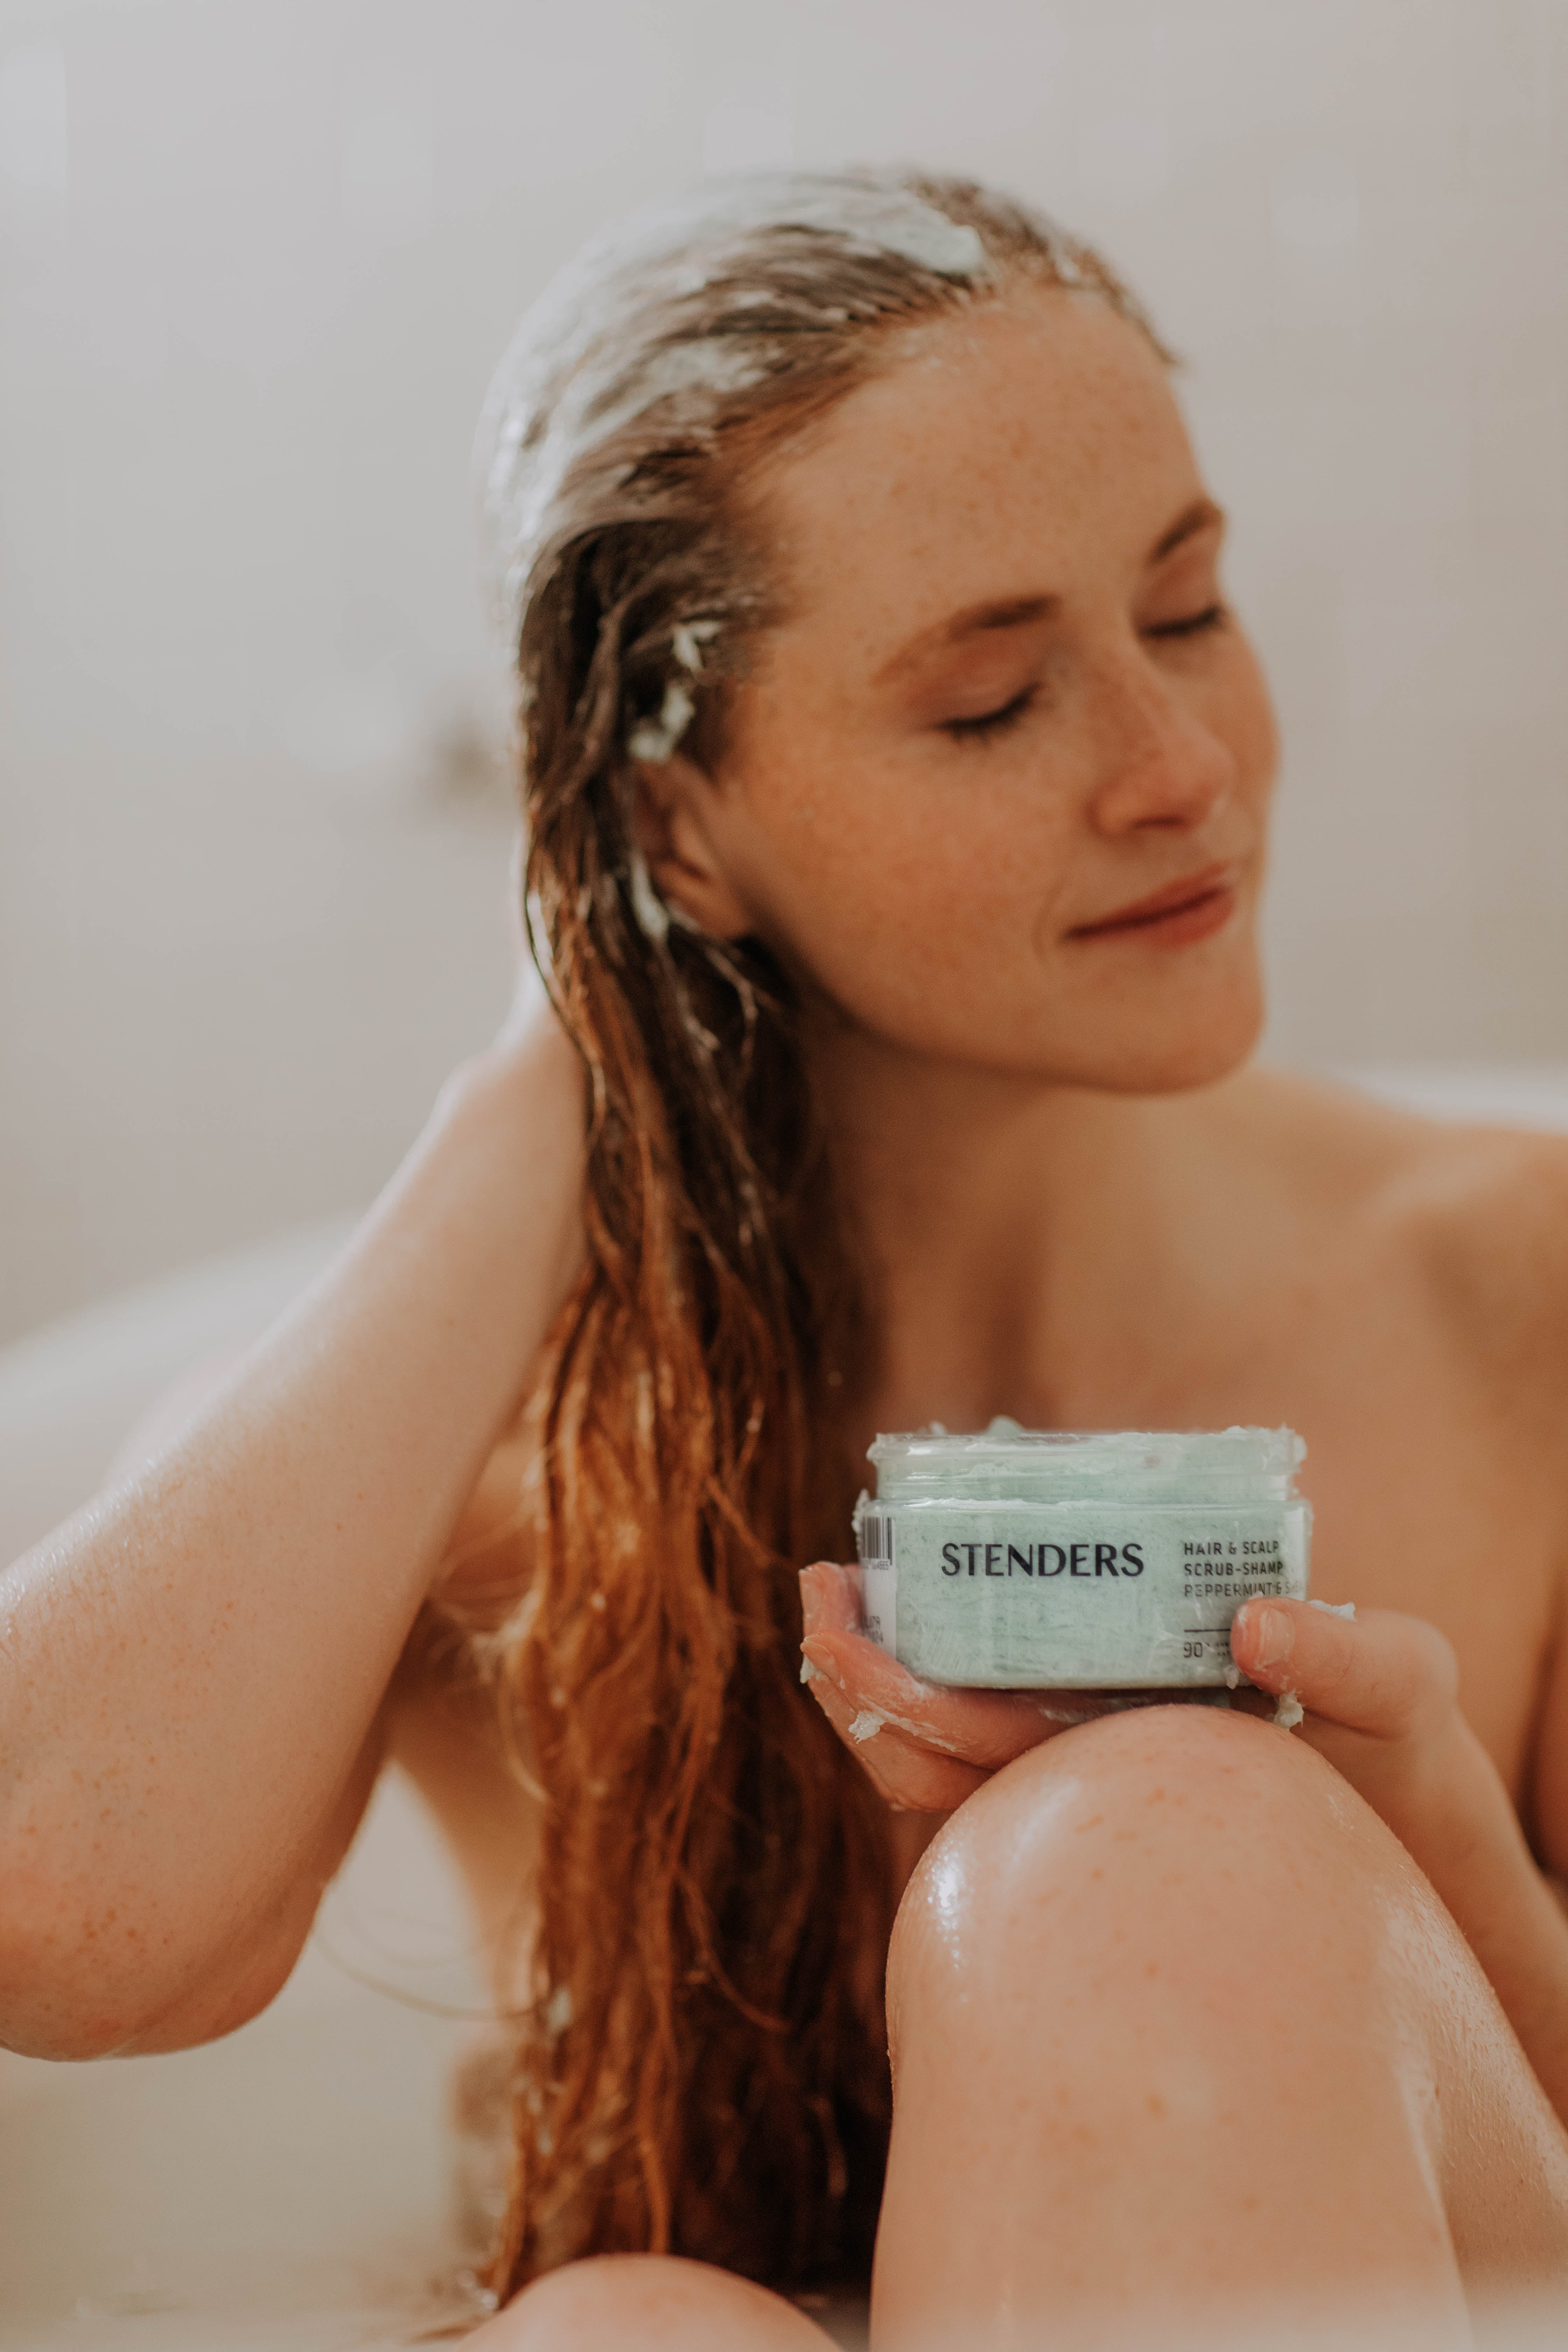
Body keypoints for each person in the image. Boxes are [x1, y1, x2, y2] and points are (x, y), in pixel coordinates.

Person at [3, 170, 1567, 2351]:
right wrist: (557, 1058)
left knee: (1161, 1852)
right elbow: (60, 1910)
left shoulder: (1512, 1293)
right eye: (992, 703)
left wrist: (1427, 1838)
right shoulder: (489, 1438)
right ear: (679, 827)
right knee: (618, 2334)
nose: (1184, 765)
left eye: (1190, 608)